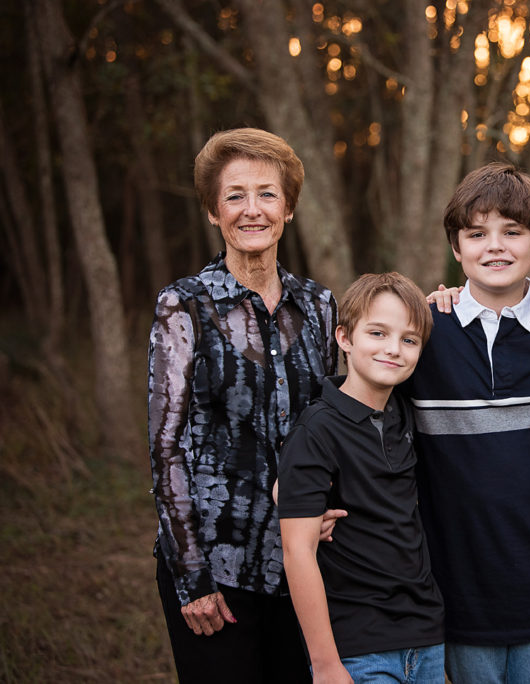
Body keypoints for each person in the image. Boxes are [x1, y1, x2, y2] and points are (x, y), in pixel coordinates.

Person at [147, 127, 343, 683]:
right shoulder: (182, 306)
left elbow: (336, 422)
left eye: (267, 194)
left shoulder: (320, 305)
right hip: (216, 569)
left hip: (303, 566)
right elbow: (166, 449)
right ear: (214, 210)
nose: (251, 210)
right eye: (235, 195)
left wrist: (331, 499)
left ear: (288, 207)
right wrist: (192, 578)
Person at [406, 163, 530, 683]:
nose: (495, 247)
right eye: (477, 234)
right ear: (456, 248)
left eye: (513, 231)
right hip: (458, 591)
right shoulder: (422, 335)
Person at [277, 272, 445, 684]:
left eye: (409, 340)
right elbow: (297, 554)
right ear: (344, 338)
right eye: (377, 333)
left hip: (425, 637)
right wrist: (326, 664)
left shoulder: (404, 413)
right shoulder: (317, 430)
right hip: (357, 648)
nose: (393, 349)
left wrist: (451, 298)